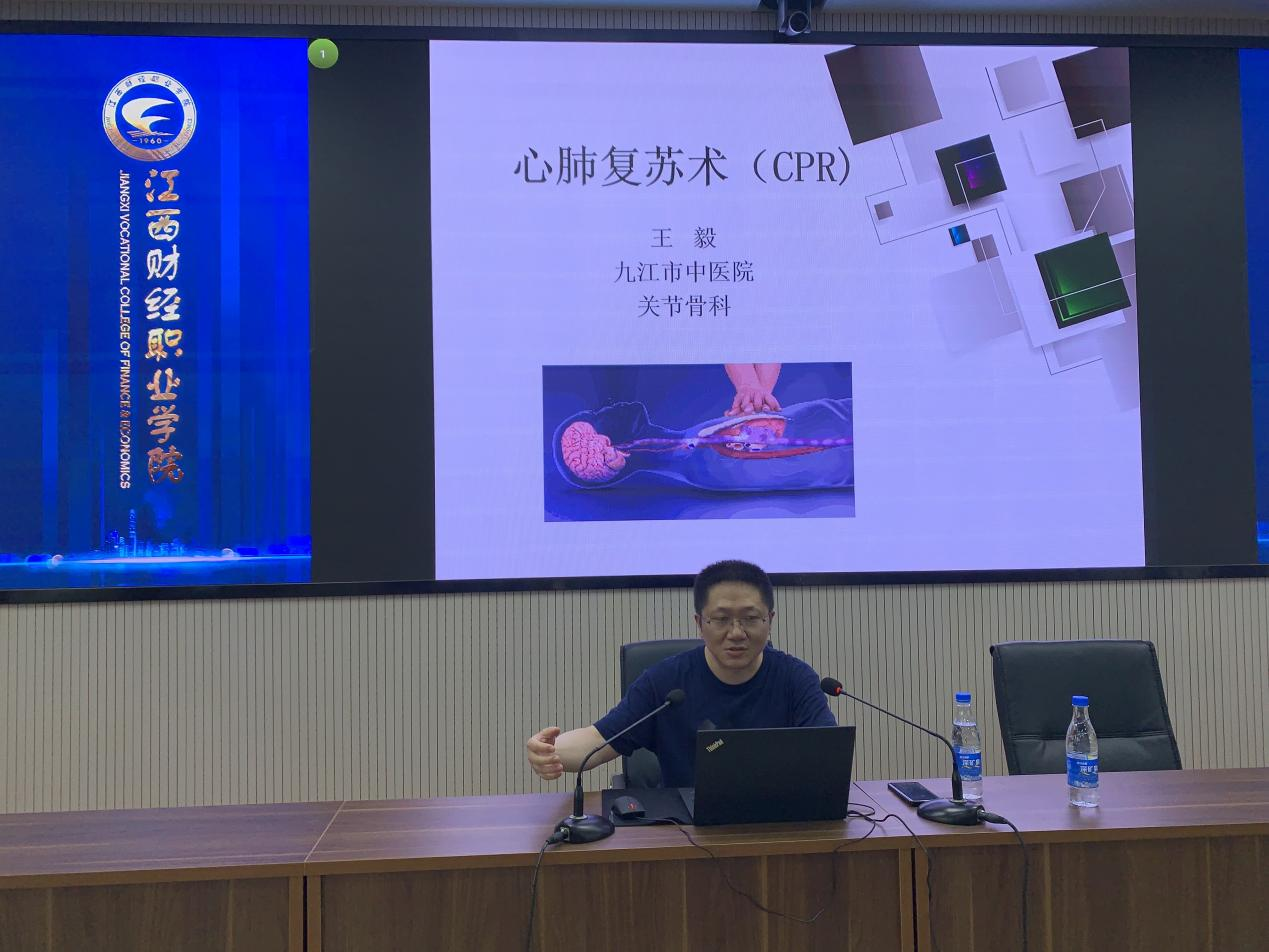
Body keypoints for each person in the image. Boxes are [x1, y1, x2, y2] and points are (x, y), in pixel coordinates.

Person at [525, 560, 836, 788]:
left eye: (750, 619)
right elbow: (598, 740)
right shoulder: (666, 683)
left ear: (770, 620)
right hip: (686, 833)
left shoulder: (796, 679)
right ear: (699, 623)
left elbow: (827, 758)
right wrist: (549, 752)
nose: (736, 633)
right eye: (721, 619)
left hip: (778, 827)